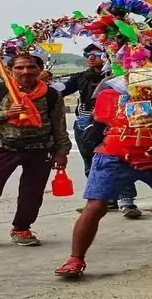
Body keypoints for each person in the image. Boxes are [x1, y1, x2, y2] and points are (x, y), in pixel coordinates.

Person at [55, 43, 152, 277]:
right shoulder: (117, 85)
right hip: (114, 157)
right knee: (95, 207)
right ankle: (75, 259)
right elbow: (103, 119)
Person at [0, 54, 71, 250]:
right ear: (10, 70)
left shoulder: (51, 94)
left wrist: (62, 151)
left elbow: (59, 125)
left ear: (40, 69)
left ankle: (22, 228)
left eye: (30, 67)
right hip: (2, 147)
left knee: (32, 192)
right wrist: (6, 113)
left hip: (40, 148)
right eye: (19, 68)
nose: (25, 71)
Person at [61, 44, 140, 218]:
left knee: (121, 159)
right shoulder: (81, 77)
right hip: (86, 122)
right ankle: (101, 199)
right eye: (87, 54)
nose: (90, 57)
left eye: (96, 54)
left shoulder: (122, 77)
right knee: (91, 160)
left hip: (115, 122)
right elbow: (61, 92)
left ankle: (127, 201)